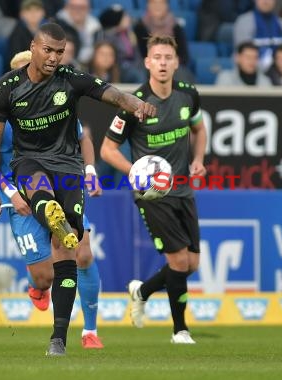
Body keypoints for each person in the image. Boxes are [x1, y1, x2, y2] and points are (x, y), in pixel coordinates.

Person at [0, 22, 156, 356]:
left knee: (69, 251)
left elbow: (111, 94)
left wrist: (136, 105)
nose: (53, 57)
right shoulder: (5, 89)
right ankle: (51, 214)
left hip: (68, 168)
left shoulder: (71, 79)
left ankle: (58, 337)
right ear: (33, 46)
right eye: (47, 50)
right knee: (42, 195)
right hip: (29, 163)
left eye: (59, 52)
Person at [0, 49, 104, 350]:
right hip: (21, 197)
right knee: (45, 276)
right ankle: (37, 287)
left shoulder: (58, 105)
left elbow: (82, 137)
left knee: (82, 253)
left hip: (60, 185)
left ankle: (89, 330)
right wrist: (6, 191)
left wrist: (89, 170)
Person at [100, 35, 207, 344]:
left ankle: (142, 291)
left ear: (176, 63)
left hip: (183, 188)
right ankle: (180, 331)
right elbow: (108, 149)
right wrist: (136, 171)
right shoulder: (134, 104)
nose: (162, 62)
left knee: (192, 264)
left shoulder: (188, 95)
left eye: (167, 57)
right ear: (146, 62)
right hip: (152, 194)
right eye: (156, 57)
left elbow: (199, 129)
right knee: (178, 262)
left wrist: (198, 159)